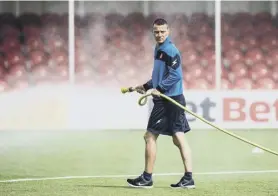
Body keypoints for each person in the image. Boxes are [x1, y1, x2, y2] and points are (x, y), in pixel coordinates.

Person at [126, 18, 195, 189]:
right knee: (178, 138)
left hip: (169, 101)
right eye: (156, 31)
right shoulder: (158, 49)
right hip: (167, 99)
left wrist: (161, 89)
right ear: (153, 32)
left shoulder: (171, 50)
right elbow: (160, 75)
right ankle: (188, 178)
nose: (159, 34)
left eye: (162, 31)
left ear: (168, 31)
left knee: (150, 136)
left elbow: (175, 75)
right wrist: (146, 86)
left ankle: (147, 178)